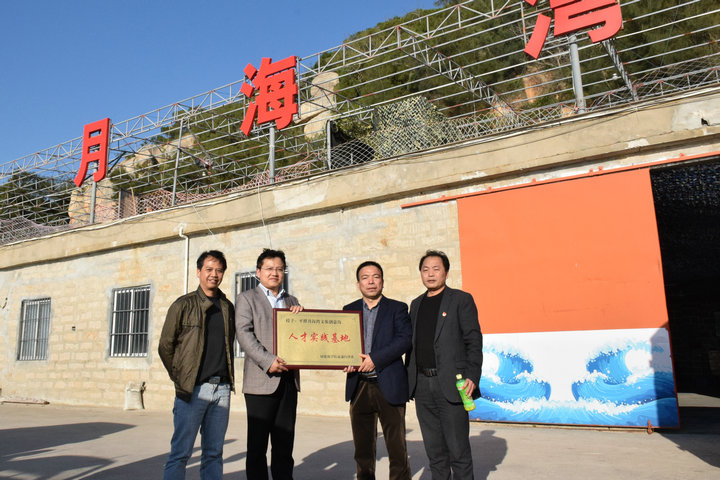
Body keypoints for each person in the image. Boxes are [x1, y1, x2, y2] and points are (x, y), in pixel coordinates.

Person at [158, 250, 236, 480]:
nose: (214, 274)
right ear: (198, 272)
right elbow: (165, 346)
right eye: (209, 269)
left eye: (219, 270)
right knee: (181, 453)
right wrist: (181, 377)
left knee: (214, 453)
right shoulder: (183, 305)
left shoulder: (227, 307)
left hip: (222, 389)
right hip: (193, 390)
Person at [406, 250, 483, 480]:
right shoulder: (416, 304)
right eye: (425, 270)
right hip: (422, 385)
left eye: (436, 269)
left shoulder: (461, 300)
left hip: (452, 384)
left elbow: (473, 340)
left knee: (458, 451)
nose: (430, 274)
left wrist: (472, 375)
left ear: (446, 273)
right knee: (435, 452)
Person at [235, 248, 302, 480]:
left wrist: (302, 317)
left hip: (288, 382)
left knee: (284, 445)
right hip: (260, 381)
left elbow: (302, 336)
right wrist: (268, 360)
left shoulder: (292, 301)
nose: (275, 273)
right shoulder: (246, 299)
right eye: (269, 268)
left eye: (279, 269)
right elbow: (244, 334)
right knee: (257, 447)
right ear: (258, 272)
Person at [343, 261, 413, 480]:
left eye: (375, 276)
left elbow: (404, 340)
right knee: (362, 447)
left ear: (382, 281)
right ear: (358, 284)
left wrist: (375, 359)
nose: (371, 282)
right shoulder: (348, 310)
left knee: (396, 446)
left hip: (389, 383)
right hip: (359, 384)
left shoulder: (397, 308)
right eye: (365, 278)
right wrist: (344, 360)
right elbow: (343, 344)